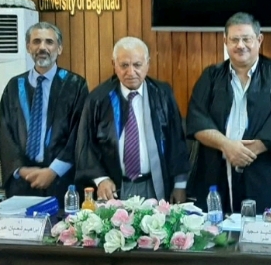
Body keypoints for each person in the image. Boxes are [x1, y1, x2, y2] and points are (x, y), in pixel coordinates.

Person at [186, 12, 271, 214]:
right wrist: (227, 146)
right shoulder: (211, 77)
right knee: (218, 229)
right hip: (218, 172)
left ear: (259, 40)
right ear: (225, 41)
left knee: (266, 227)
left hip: (267, 173)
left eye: (246, 39)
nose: (240, 45)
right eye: (234, 39)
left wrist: (249, 151)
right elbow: (197, 119)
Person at [76, 37, 189, 202]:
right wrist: (101, 179)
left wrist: (180, 185)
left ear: (147, 64)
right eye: (124, 65)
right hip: (114, 187)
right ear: (114, 64)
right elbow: (85, 145)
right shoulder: (98, 99)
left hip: (154, 184)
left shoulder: (162, 94)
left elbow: (176, 139)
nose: (131, 72)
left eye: (137, 65)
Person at [0, 22, 89, 206]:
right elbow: (6, 135)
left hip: (62, 181)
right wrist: (20, 169)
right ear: (28, 47)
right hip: (22, 181)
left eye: (49, 42)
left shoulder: (75, 85)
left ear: (59, 48)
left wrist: (53, 170)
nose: (42, 47)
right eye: (36, 41)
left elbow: (79, 134)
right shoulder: (14, 86)